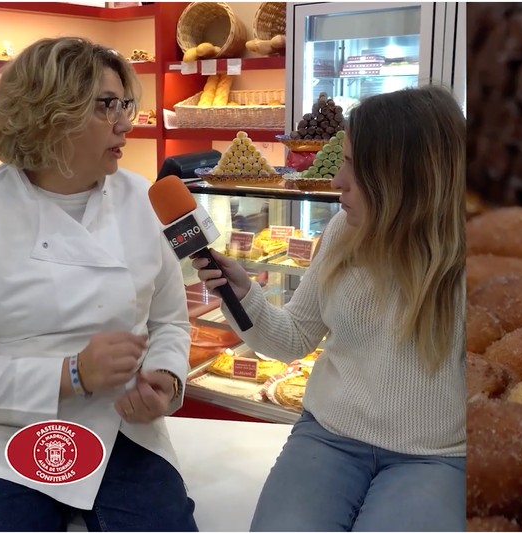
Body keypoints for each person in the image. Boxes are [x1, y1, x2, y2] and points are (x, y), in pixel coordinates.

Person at [0, 37, 197, 532]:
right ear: (49, 114)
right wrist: (72, 374)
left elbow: (170, 321)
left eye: (125, 104)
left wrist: (165, 378)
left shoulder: (143, 200)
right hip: (9, 432)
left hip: (125, 427)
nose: (126, 122)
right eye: (107, 106)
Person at [192, 85, 466, 532]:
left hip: (436, 457)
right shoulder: (344, 229)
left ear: (404, 176)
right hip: (329, 435)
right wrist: (243, 295)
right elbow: (294, 338)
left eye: (354, 167)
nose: (337, 180)